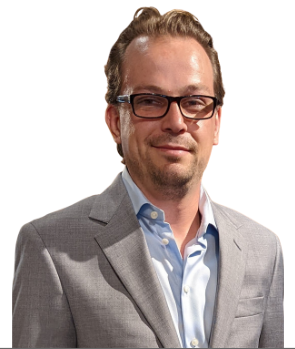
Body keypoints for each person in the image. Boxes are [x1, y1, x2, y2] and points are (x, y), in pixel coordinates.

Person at [12, 7, 284, 348]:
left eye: (195, 101)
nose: (176, 121)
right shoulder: (51, 250)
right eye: (151, 101)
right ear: (115, 122)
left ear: (216, 123)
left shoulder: (263, 251)